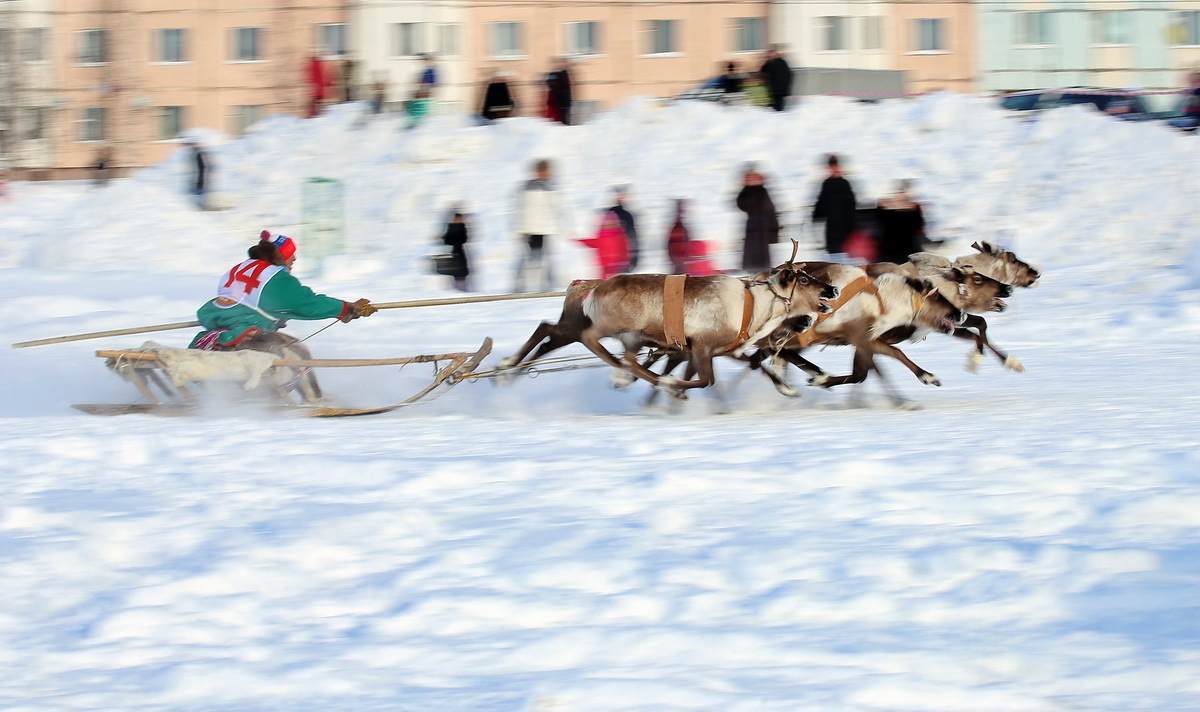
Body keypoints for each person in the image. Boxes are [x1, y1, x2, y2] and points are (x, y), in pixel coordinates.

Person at [190, 230, 372, 353]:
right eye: (290, 254)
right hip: (244, 330)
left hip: (218, 324)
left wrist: (276, 317)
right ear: (280, 255)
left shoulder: (239, 268)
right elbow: (306, 303)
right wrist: (346, 308)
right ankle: (312, 398)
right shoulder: (274, 277)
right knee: (298, 353)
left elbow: (253, 302)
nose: (294, 259)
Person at [514, 159, 564, 292]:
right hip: (531, 230)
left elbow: (555, 208)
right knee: (529, 258)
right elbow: (523, 209)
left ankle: (547, 286)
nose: (547, 173)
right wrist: (524, 230)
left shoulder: (550, 186)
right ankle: (520, 285)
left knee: (545, 258)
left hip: (545, 229)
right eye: (544, 170)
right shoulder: (529, 187)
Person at [735, 165, 780, 272]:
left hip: (763, 230)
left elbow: (771, 212)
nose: (752, 179)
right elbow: (742, 204)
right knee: (751, 262)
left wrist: (774, 233)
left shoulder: (763, 191)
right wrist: (747, 186)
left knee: (762, 264)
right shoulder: (748, 192)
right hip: (752, 229)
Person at [812, 154, 857, 255]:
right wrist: (815, 219)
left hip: (846, 230)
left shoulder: (845, 183)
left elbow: (852, 207)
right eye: (830, 167)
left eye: (834, 166)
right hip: (831, 231)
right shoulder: (826, 184)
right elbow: (821, 205)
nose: (832, 169)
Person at [875, 180, 926, 265]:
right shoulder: (913, 208)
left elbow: (880, 223)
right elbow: (918, 226)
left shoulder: (884, 207)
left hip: (890, 251)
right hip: (906, 250)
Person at [580, 207, 630, 279]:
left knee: (608, 283)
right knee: (608, 283)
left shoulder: (616, 236)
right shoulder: (619, 235)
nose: (608, 226)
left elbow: (625, 250)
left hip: (612, 265)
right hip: (611, 265)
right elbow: (593, 242)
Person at [607, 186, 639, 271]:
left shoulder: (626, 215)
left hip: (622, 259)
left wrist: (635, 258)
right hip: (617, 259)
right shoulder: (611, 215)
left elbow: (633, 236)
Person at [441, 207, 471, 291]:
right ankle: (458, 290)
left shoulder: (461, 227)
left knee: (461, 273)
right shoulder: (452, 227)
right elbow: (448, 240)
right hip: (453, 253)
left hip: (459, 253)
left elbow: (463, 239)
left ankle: (461, 289)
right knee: (457, 273)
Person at [759, 45, 792, 112]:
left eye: (771, 55)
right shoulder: (778, 62)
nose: (770, 57)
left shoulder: (777, 63)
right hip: (777, 88)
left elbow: (762, 70)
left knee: (777, 107)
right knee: (777, 106)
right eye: (769, 56)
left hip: (778, 88)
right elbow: (763, 70)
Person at [545, 57, 573, 125]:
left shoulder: (565, 74)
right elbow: (552, 86)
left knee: (565, 120)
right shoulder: (554, 74)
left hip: (564, 102)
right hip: (557, 101)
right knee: (558, 121)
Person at [306, 53, 330, 118]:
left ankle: (315, 113)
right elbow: (320, 75)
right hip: (317, 85)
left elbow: (314, 75)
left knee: (315, 100)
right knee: (317, 100)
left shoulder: (313, 64)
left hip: (316, 85)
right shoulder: (317, 64)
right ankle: (317, 113)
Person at [187, 140, 207, 210]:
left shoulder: (198, 153)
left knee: (199, 191)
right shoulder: (196, 153)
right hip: (197, 175)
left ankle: (200, 205)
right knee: (198, 191)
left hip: (199, 175)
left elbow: (202, 165)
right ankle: (199, 206)